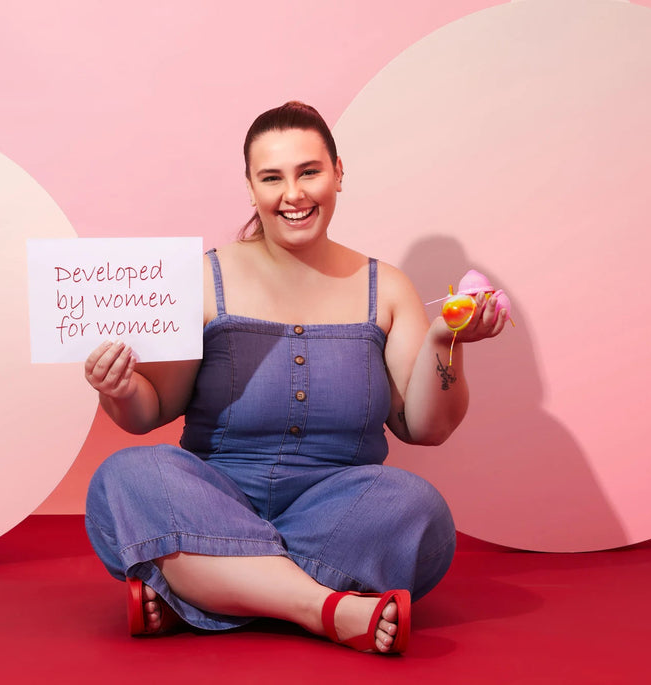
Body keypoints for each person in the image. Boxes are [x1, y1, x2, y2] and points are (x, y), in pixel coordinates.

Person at [83, 101, 508, 654]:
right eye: (272, 177)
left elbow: (425, 428)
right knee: (130, 473)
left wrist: (445, 343)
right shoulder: (204, 279)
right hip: (215, 497)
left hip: (337, 509)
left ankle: (198, 590)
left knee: (414, 506)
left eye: (309, 171)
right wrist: (118, 387)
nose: (294, 194)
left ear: (337, 172)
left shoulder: (389, 287)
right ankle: (322, 607)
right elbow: (148, 413)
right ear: (250, 186)